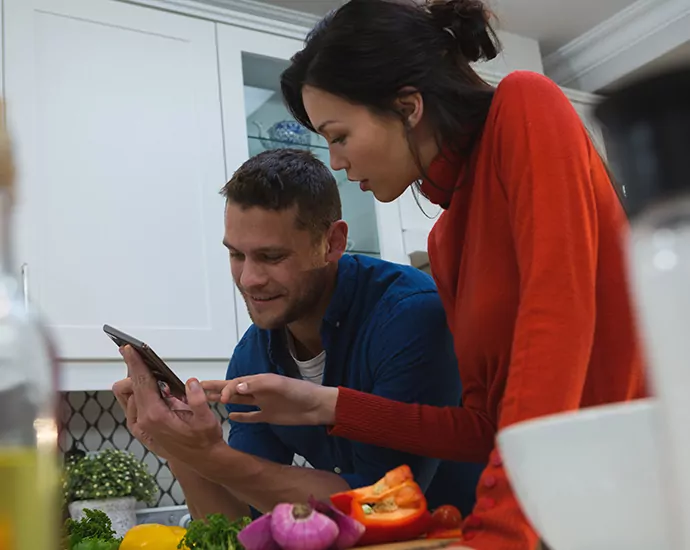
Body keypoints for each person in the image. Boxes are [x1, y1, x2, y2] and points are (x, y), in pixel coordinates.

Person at [211, 0, 647, 548]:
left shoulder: (524, 106)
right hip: (565, 512)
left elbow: (557, 325)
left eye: (339, 135)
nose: (336, 162)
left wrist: (502, 527)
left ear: (408, 107)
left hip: (631, 493)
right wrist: (326, 405)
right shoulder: (446, 238)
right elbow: (484, 429)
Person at [113, 148, 484, 522]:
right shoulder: (252, 355)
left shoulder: (410, 317)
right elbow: (242, 525)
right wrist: (183, 452)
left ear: (333, 243)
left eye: (272, 257)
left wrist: (212, 455)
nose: (248, 280)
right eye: (236, 255)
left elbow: (383, 506)